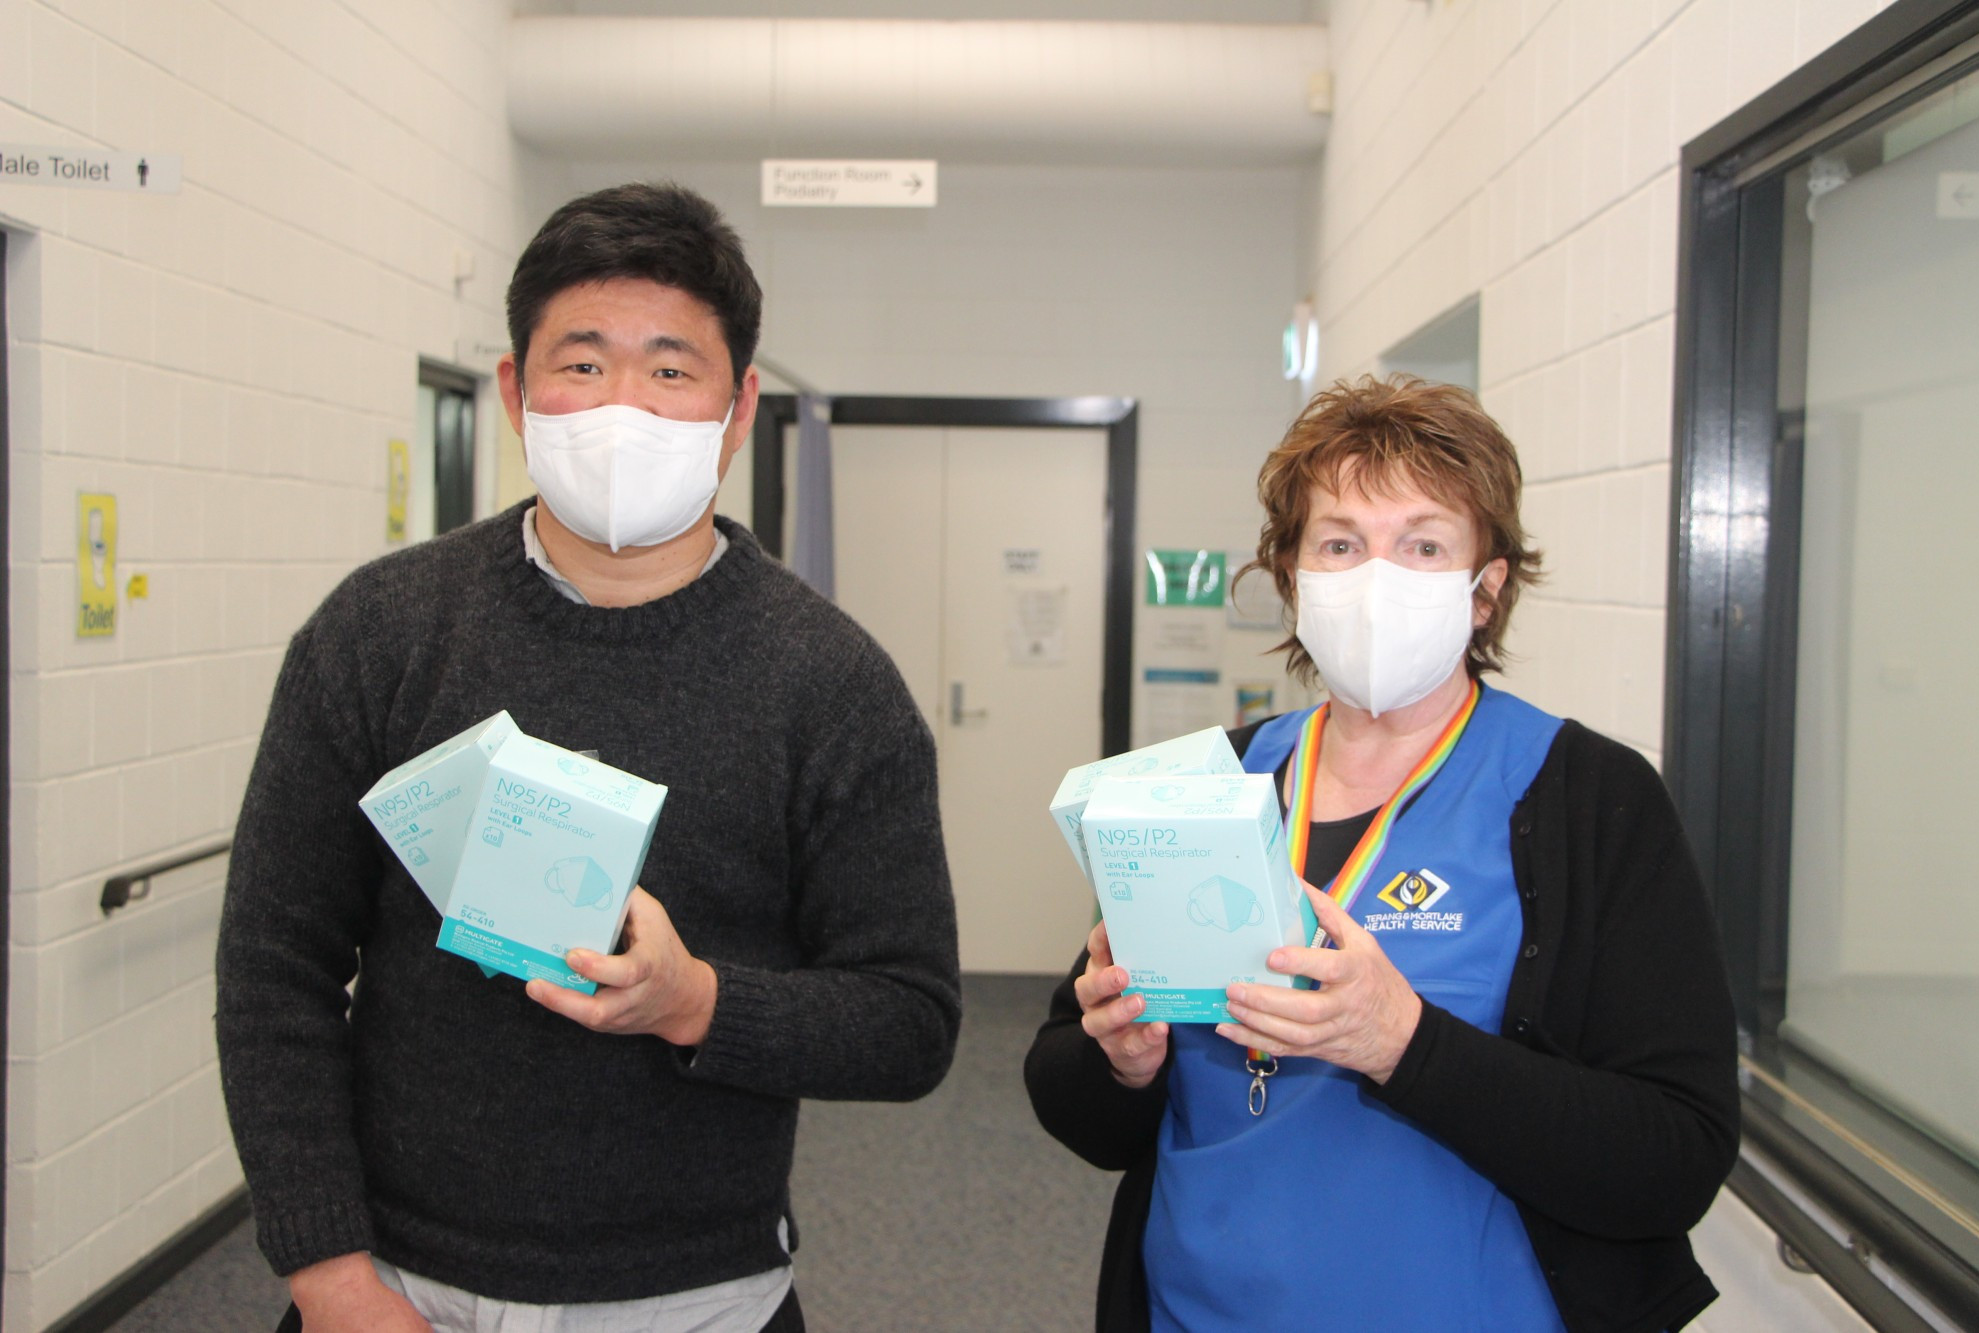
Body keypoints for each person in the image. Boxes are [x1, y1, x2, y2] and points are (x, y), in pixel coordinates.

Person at [216, 182, 960, 1333]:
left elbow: (909, 1020)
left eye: (670, 370)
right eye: (582, 362)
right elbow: (274, 968)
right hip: (397, 1286)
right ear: (515, 390)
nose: (623, 405)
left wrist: (694, 1001)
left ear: (737, 406)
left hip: (699, 1294)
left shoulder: (830, 682)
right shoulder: (382, 633)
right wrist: (329, 1274)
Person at [1024, 375, 1739, 1333]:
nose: (1376, 579)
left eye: (1424, 544)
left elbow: (1674, 1156)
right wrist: (1119, 1062)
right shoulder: (1213, 780)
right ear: (1292, 573)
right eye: (1341, 543)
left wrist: (1404, 1041)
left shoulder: (1589, 798)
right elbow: (1070, 1092)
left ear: (1485, 590)